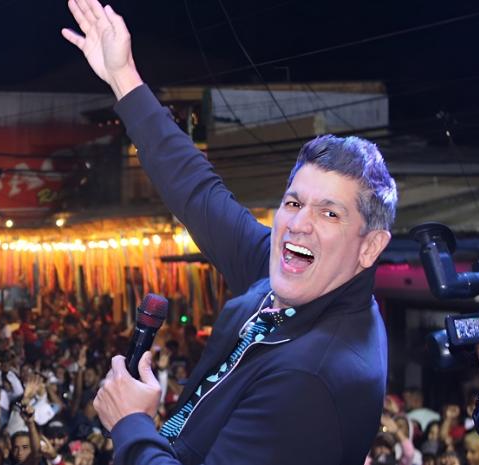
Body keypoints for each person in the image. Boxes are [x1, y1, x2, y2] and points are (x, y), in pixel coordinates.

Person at [60, 0, 396, 464]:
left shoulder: (313, 377)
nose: (300, 223)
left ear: (370, 247)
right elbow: (199, 194)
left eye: (330, 214)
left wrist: (132, 426)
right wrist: (123, 76)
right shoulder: (293, 281)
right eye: (294, 203)